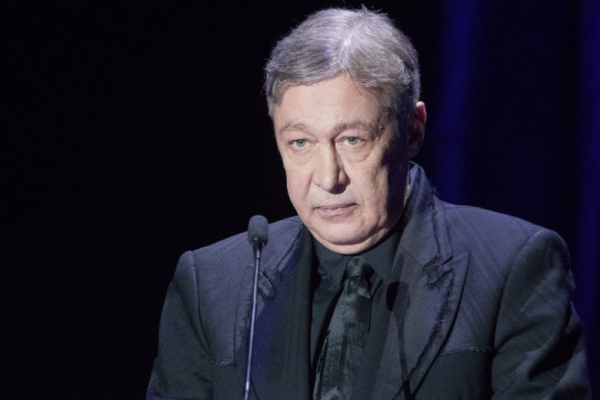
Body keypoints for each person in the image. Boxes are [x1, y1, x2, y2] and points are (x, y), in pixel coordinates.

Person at [147, 8, 590, 400]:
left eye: (352, 139)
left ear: (412, 131)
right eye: (300, 142)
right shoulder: (212, 285)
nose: (328, 178)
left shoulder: (513, 269)